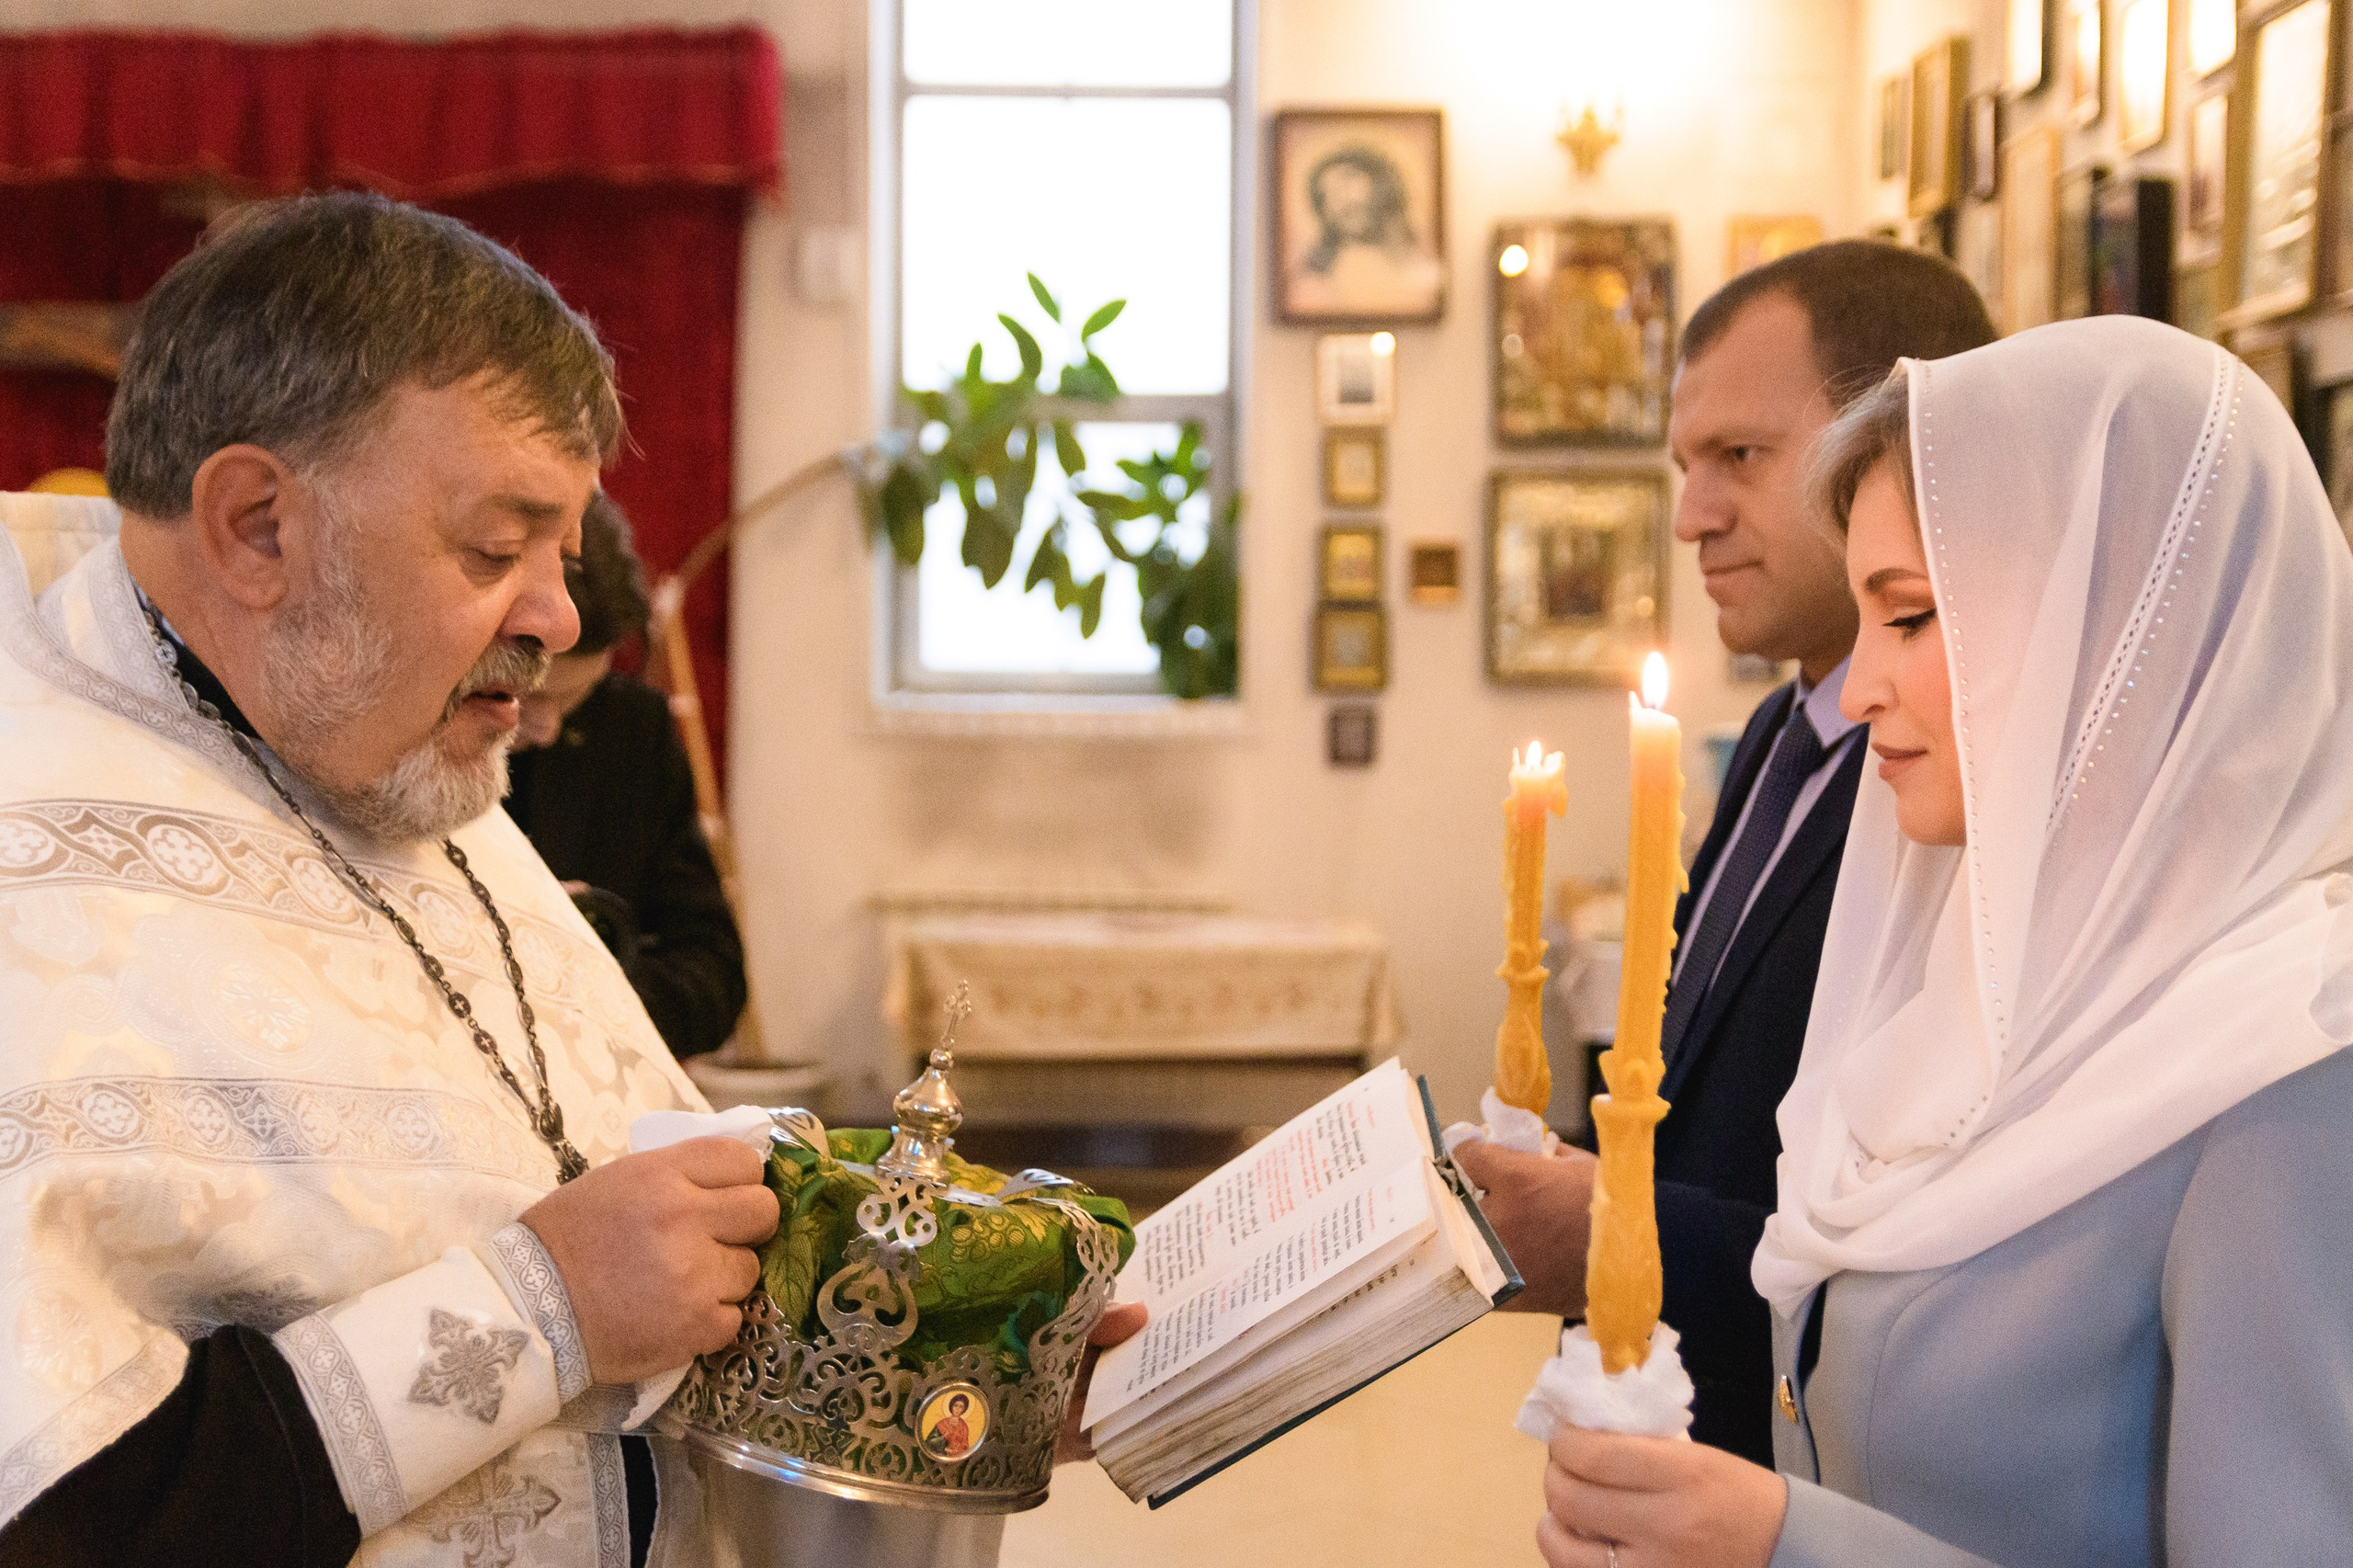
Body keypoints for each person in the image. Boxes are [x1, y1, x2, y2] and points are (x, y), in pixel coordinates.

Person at [0, 192, 1142, 1568]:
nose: (555, 611)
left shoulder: (390, 736)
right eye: (496, 547)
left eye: (560, 547)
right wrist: (545, 1305)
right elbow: (67, 1508)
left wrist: (946, 1370)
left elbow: (629, 1235)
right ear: (256, 526)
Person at [1538, 316, 2353, 1567]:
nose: (1859, 691)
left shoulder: (2290, 1079)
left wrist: (1782, 1540)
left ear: (2120, 635)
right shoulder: (1974, 986)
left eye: (1910, 618)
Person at [1456, 242, 1996, 1462]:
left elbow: (1919, 1219)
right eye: (1684, 465)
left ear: (1889, 443)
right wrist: (1590, 1186)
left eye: (1738, 458)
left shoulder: (1957, 773)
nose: (1692, 513)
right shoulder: (1775, 729)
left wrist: (1623, 1225)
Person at [506, 491, 747, 1061]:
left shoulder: (634, 730)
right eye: (525, 699)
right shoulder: (416, 736)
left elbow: (714, 974)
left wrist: (592, 984)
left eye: (574, 701)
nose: (544, 731)